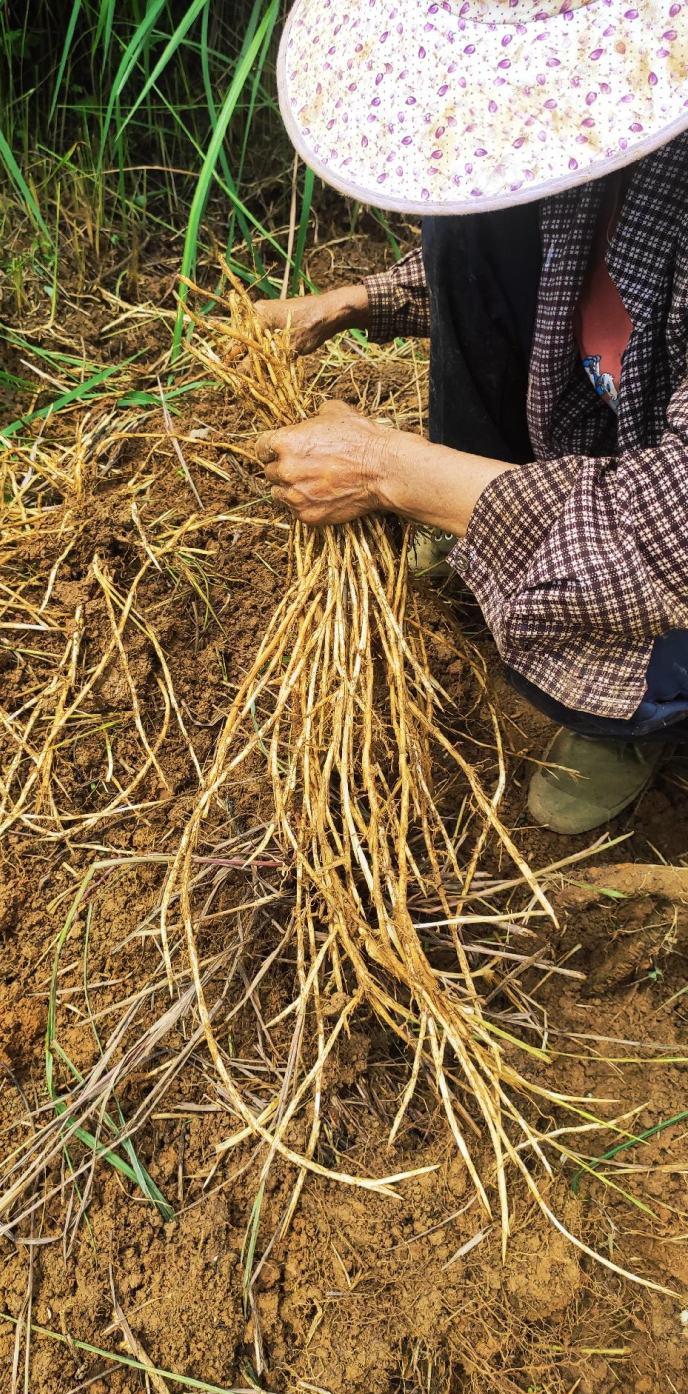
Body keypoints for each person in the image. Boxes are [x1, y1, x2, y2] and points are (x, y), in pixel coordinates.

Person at [252, 0, 688, 836]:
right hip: (619, 417)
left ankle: (638, 705)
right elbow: (528, 241)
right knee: (468, 228)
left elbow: (673, 527)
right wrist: (353, 302)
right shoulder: (608, 131)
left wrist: (389, 469)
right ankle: (475, 526)